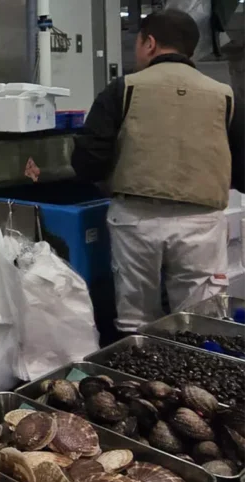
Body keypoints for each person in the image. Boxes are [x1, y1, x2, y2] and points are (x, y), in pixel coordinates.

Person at [72, 9, 245, 333]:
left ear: (149, 43)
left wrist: (107, 177)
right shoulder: (225, 95)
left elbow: (88, 159)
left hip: (136, 219)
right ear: (190, 49)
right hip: (201, 223)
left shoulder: (124, 88)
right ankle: (194, 379)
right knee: (200, 319)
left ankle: (140, 380)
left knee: (136, 321)